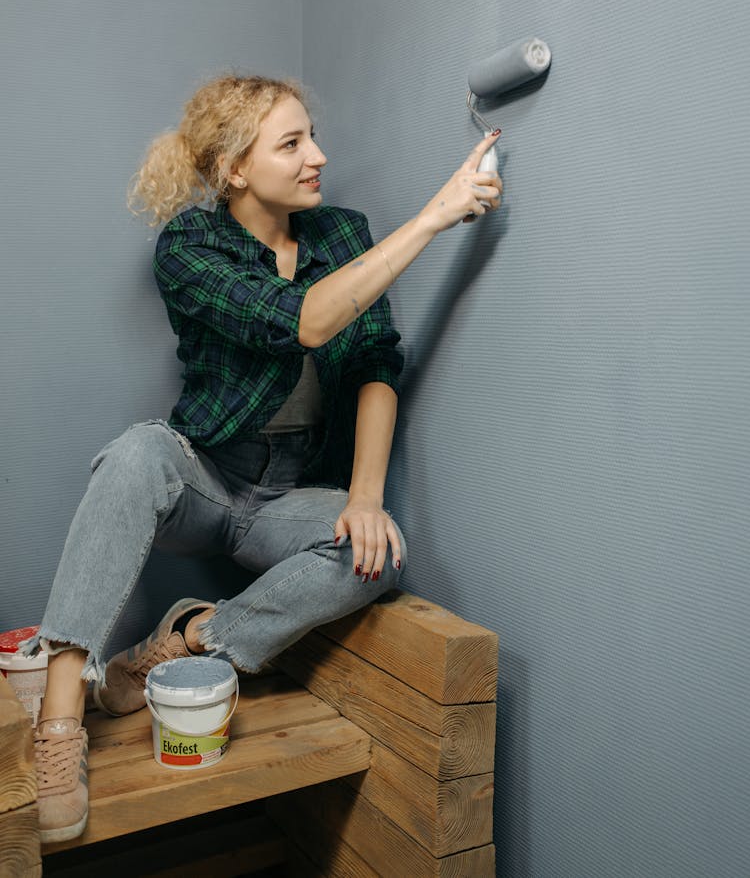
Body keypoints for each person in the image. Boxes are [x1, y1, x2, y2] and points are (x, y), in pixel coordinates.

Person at [21, 74, 503, 843]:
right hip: (206, 474)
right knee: (133, 453)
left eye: (312, 135)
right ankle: (59, 725)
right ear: (235, 168)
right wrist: (436, 217)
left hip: (289, 493)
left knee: (375, 555)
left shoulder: (343, 233)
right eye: (292, 143)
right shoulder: (189, 246)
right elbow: (304, 323)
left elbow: (377, 362)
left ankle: (193, 637)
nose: (319, 155)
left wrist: (365, 495)